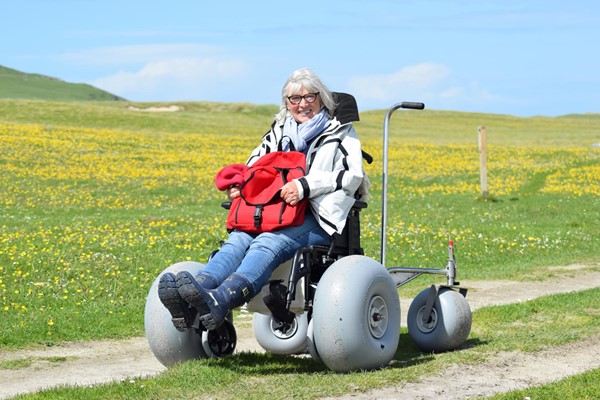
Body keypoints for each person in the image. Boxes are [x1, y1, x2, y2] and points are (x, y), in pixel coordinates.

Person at [158, 67, 370, 331]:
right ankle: (198, 293)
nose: (302, 104)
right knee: (237, 241)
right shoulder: (278, 132)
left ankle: (221, 299)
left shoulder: (340, 132)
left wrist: (304, 186)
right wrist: (238, 186)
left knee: (268, 243)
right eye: (294, 98)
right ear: (286, 103)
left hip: (317, 216)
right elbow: (252, 167)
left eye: (309, 97)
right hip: (273, 213)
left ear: (322, 98)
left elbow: (351, 175)